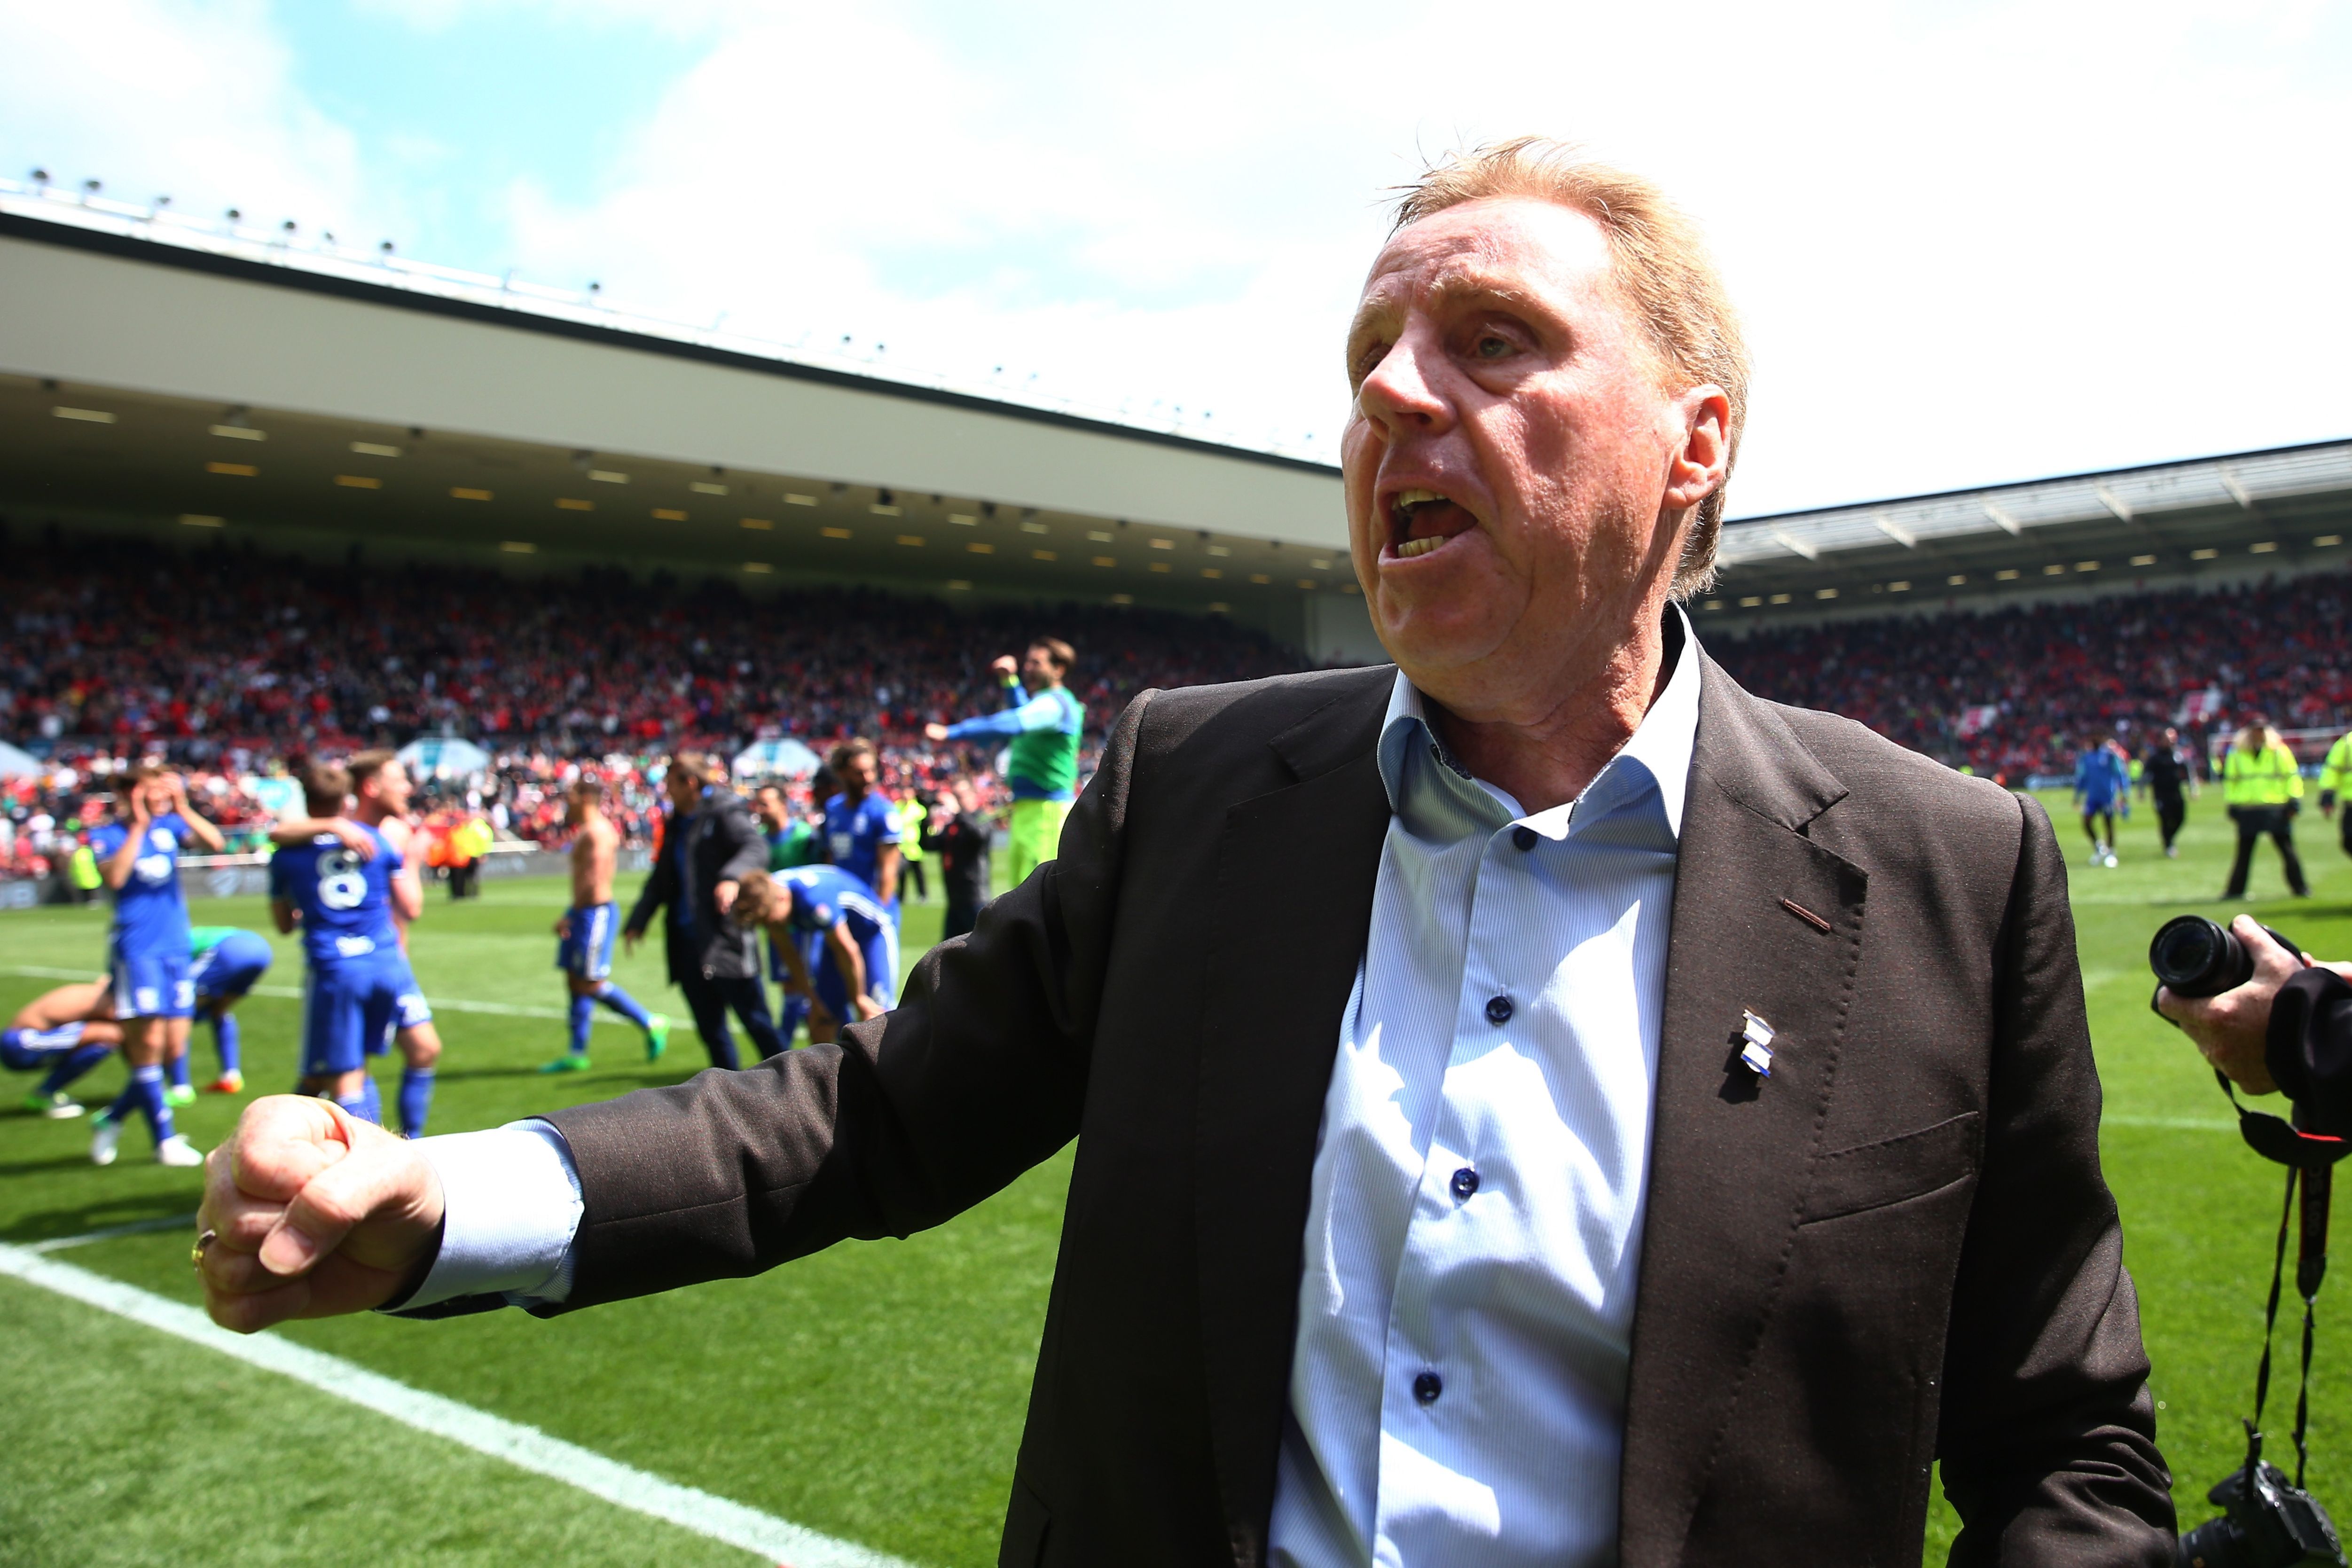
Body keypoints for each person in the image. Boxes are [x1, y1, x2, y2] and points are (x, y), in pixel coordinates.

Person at [201, 140, 2174, 1565]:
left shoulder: (1943, 871)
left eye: (1489, 338)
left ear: (1690, 442)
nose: (1387, 391)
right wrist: (447, 1195)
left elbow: (2063, 1444)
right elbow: (870, 1114)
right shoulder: (1194, 782)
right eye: (1368, 353)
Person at [270, 753, 443, 1137]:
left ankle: (400, 1146)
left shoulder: (297, 851)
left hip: (371, 962)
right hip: (376, 962)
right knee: (340, 1071)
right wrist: (412, 858)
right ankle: (346, 1146)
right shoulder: (379, 839)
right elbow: (411, 906)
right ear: (366, 789)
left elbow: (284, 918)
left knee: (408, 1053)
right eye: (399, 780)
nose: (408, 789)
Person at [87, 761, 220, 1167]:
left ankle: (111, 1118)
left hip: (176, 947)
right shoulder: (107, 834)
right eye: (152, 792)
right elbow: (114, 879)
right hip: (138, 951)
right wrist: (138, 827)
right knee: (147, 1047)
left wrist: (183, 807)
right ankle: (165, 1141)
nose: (160, 798)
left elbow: (214, 843)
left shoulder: (171, 826)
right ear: (130, 795)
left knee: (172, 1048)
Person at [619, 752, 783, 1068]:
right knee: (712, 1031)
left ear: (690, 783)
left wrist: (732, 877)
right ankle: (728, 1092)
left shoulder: (723, 811)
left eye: (671, 784)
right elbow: (662, 879)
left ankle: (792, 1087)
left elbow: (756, 847)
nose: (667, 791)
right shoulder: (677, 823)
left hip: (725, 937)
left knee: (757, 1022)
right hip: (686, 943)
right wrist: (639, 919)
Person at [925, 639, 1083, 888]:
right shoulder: (1044, 704)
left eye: (1036, 663)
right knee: (1022, 894)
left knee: (1038, 896)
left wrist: (952, 732)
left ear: (1059, 669)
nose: (1027, 668)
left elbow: (1014, 722)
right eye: (1027, 662)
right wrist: (1010, 682)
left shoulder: (1055, 705)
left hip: (1047, 813)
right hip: (1029, 809)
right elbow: (1024, 713)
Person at [541, 777, 669, 1073]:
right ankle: (577, 1052)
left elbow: (596, 881)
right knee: (575, 979)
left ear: (586, 798)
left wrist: (573, 913)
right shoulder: (588, 830)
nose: (567, 803)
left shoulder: (598, 832)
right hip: (583, 911)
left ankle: (650, 1022)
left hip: (594, 912)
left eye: (572, 796)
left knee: (590, 982)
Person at [731, 866, 895, 1045]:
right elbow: (791, 957)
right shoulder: (770, 898)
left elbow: (848, 950)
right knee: (820, 1022)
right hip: (834, 940)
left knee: (874, 1016)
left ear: (782, 898)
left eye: (771, 921)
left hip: (872, 935)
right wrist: (814, 1001)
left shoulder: (813, 900)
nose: (772, 927)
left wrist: (859, 998)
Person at [752, 782, 824, 1043]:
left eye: (765, 804)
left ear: (783, 805)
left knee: (804, 984)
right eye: (758, 804)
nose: (760, 810)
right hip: (776, 926)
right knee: (789, 985)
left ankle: (783, 1047)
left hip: (803, 926)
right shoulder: (759, 841)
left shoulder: (803, 836)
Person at [169, 925, 274, 1100]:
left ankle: (180, 1088)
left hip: (230, 950)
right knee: (219, 1011)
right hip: (262, 951)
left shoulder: (168, 946)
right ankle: (231, 1077)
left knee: (179, 1016)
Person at [6, 974, 121, 1118]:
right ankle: (43, 1095)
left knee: (104, 1038)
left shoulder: (100, 995)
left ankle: (45, 1094)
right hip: (21, 1043)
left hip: (22, 1043)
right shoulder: (104, 1000)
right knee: (111, 1035)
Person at [2221, 716, 2308, 900]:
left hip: (2275, 807)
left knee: (2287, 850)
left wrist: (2294, 799)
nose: (2258, 734)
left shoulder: (2279, 751)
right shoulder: (2237, 753)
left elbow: (2291, 776)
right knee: (2244, 853)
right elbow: (2231, 781)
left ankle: (2300, 888)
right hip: (2249, 808)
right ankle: (2235, 891)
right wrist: (2232, 803)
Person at [820, 739, 901, 914]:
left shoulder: (883, 812)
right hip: (842, 906)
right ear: (842, 774)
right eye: (859, 773)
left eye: (872, 771)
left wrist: (878, 913)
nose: (868, 778)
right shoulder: (833, 809)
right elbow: (831, 859)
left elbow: (888, 871)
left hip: (872, 907)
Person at [920, 776, 993, 941]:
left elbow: (979, 836)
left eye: (960, 796)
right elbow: (929, 844)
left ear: (973, 795)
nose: (957, 800)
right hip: (955, 900)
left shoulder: (980, 818)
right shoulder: (955, 823)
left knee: (983, 948)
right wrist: (928, 819)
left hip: (975, 897)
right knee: (947, 951)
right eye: (955, 796)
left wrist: (958, 812)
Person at [2070, 731, 2128, 867]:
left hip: (2107, 796)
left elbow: (2119, 774)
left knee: (2108, 824)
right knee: (2087, 823)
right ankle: (2100, 848)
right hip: (2093, 797)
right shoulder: (2086, 758)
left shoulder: (2110, 756)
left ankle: (2111, 853)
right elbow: (2082, 778)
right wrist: (2077, 796)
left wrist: (2124, 793)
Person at [2140, 725, 2193, 859]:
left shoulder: (2178, 755)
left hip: (2176, 793)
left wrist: (2193, 788)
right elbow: (2146, 774)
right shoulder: (2155, 757)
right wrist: (2142, 790)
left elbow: (2188, 771)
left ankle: (2170, 839)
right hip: (2161, 794)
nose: (2171, 741)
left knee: (2181, 818)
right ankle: (2168, 845)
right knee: (2165, 819)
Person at [2318, 726, 2352, 860]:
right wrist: (2328, 795)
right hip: (2350, 803)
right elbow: (2332, 770)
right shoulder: (2347, 743)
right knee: (2349, 842)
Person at [894, 790, 931, 904]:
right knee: (901, 874)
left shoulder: (917, 809)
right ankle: (901, 896)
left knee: (918, 873)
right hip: (901, 846)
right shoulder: (898, 806)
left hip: (913, 846)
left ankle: (923, 895)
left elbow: (924, 817)